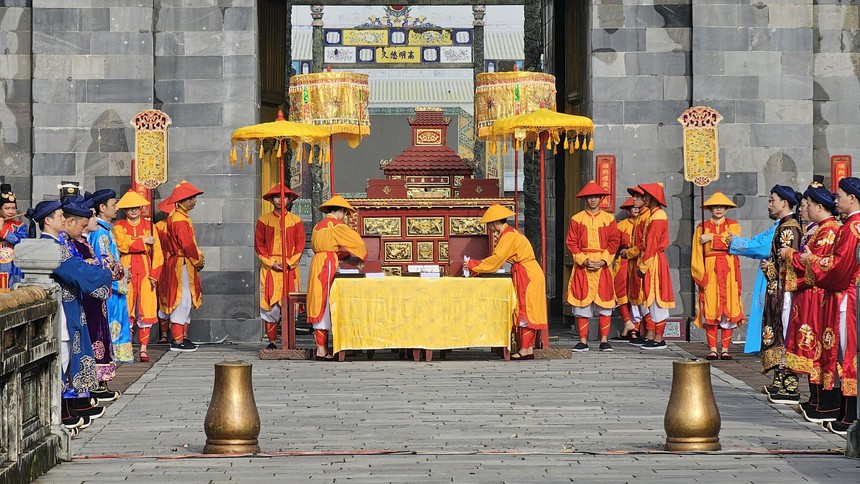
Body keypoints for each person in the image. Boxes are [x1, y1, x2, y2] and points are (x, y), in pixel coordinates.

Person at [27, 199, 111, 430]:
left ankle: (65, 409)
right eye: (60, 216)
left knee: (64, 358)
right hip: (62, 310)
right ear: (48, 220)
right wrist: (104, 272)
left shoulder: (56, 245)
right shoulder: (50, 247)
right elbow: (77, 271)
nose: (65, 219)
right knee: (61, 358)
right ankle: (58, 413)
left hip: (68, 306)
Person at [787, 177, 860, 435]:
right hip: (841, 295)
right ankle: (844, 411)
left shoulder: (852, 228)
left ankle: (850, 415)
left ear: (852, 198)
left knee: (846, 355)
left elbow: (839, 268)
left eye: (839, 195)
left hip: (846, 298)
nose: (836, 199)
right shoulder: (849, 225)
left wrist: (811, 261)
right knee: (839, 354)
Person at [781, 183, 840, 423]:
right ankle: (816, 399)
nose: (803, 209)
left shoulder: (829, 231)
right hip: (808, 295)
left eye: (806, 205)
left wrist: (789, 255)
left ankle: (825, 402)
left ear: (818, 206)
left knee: (817, 346)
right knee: (809, 344)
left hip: (817, 295)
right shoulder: (818, 230)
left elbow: (815, 265)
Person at [467, 204, 548, 360]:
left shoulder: (508, 235)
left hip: (527, 275)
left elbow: (496, 260)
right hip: (529, 272)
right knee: (528, 309)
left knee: (526, 310)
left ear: (494, 222)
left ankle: (524, 349)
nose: (488, 227)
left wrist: (473, 264)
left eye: (489, 223)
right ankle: (528, 348)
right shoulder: (509, 233)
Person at [71, 194, 123, 403]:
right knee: (91, 340)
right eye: (90, 217)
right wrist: (105, 264)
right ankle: (88, 387)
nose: (94, 220)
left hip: (96, 299)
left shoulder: (84, 241)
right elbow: (82, 270)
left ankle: (99, 383)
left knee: (100, 337)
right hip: (86, 298)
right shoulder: (75, 244)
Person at [306, 196, 367, 360]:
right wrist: (360, 255)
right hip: (327, 264)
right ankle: (321, 350)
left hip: (317, 262)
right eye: (345, 213)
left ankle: (322, 347)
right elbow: (358, 243)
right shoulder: (337, 225)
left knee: (317, 301)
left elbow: (317, 246)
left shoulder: (318, 226)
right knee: (326, 302)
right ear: (341, 211)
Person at [759, 184, 803, 404]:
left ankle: (790, 383)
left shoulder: (789, 228)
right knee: (778, 330)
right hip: (778, 288)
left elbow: (789, 265)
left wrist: (769, 268)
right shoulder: (783, 226)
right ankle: (780, 380)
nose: (769, 204)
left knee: (785, 332)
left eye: (772, 200)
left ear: (784, 202)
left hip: (784, 290)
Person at [564, 181, 620, 352]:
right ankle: (583, 340)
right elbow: (571, 242)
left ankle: (604, 340)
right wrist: (583, 260)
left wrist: (604, 260)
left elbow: (614, 241)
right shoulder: (577, 219)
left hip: (603, 265)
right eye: (590, 197)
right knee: (582, 303)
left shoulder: (609, 219)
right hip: (584, 265)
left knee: (605, 303)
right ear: (585, 199)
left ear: (600, 199)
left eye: (596, 197)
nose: (593, 200)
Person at [691, 191, 744, 360]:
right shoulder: (701, 227)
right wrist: (700, 274)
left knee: (729, 307)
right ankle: (713, 348)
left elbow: (732, 243)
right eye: (716, 206)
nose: (719, 209)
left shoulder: (733, 225)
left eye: (722, 206)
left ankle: (725, 349)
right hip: (710, 269)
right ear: (710, 208)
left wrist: (711, 238)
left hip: (728, 270)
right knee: (711, 308)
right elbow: (697, 253)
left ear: (727, 209)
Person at [113, 190, 164, 363]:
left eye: (136, 208)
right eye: (129, 208)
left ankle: (143, 348)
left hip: (145, 270)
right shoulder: (118, 226)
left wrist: (155, 274)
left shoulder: (149, 225)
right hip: (126, 269)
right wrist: (143, 241)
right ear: (124, 210)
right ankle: (126, 346)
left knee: (146, 309)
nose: (133, 211)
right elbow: (123, 245)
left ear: (141, 208)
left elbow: (157, 252)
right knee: (126, 308)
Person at [86, 188, 134, 366]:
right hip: (110, 290)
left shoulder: (106, 230)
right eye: (113, 205)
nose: (116, 208)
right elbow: (102, 265)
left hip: (115, 286)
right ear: (102, 207)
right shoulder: (99, 233)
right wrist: (118, 279)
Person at [255, 184, 305, 350]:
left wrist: (289, 263)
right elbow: (259, 246)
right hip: (270, 268)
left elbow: (300, 245)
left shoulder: (296, 221)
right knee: (270, 305)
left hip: (290, 268)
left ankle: (288, 342)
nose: (280, 200)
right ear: (271, 200)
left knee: (290, 304)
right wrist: (271, 262)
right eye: (277, 197)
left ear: (289, 199)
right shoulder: (263, 220)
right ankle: (272, 342)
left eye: (284, 197)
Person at [160, 181, 204, 352]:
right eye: (190, 198)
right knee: (182, 298)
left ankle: (182, 337)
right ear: (180, 200)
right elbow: (187, 245)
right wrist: (198, 260)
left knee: (186, 298)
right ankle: (178, 340)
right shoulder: (179, 218)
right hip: (182, 263)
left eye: (193, 198)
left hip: (183, 262)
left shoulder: (179, 216)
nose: (194, 201)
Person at [725, 218, 778, 355]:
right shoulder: (777, 226)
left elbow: (763, 246)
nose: (769, 205)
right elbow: (758, 240)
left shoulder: (786, 227)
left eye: (773, 201)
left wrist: (737, 242)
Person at [636, 182, 675, 350]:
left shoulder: (658, 216)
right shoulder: (653, 215)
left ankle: (659, 338)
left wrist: (643, 265)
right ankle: (654, 335)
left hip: (654, 261)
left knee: (658, 297)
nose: (643, 198)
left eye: (646, 196)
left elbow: (651, 244)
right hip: (652, 259)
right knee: (651, 298)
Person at [622, 186, 651, 346]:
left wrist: (629, 253)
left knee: (646, 298)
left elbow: (643, 245)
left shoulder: (648, 217)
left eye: (637, 197)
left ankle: (650, 334)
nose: (634, 200)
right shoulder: (640, 218)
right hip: (633, 264)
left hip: (644, 262)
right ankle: (641, 332)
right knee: (635, 298)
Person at [610, 197, 639, 341]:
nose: (635, 209)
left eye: (638, 207)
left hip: (639, 261)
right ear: (628, 210)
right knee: (620, 293)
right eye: (632, 207)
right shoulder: (622, 225)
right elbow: (615, 244)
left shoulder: (646, 222)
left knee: (638, 294)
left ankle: (636, 329)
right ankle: (628, 322)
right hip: (623, 261)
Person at [1, 183, 27, 292]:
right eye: (7, 208)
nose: (11, 211)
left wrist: (3, 232)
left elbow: (22, 242)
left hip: (13, 267)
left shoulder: (20, 226)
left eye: (13, 208)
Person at [154, 198, 172, 343]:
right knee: (163, 296)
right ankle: (164, 333)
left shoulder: (182, 223)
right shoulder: (159, 226)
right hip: (163, 263)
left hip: (177, 262)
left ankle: (182, 334)